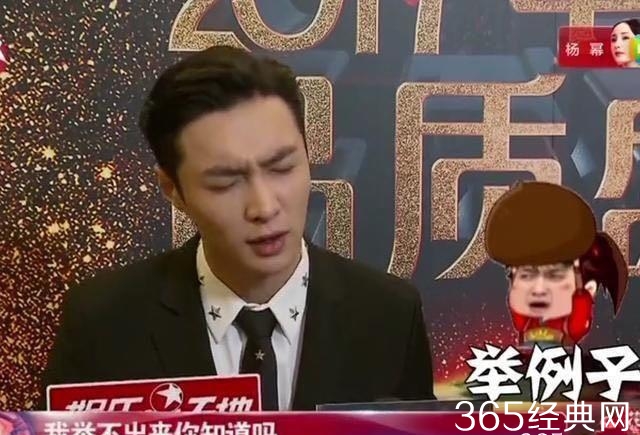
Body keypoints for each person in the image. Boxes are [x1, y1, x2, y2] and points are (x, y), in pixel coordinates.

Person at [40, 46, 435, 411]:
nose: (264, 207)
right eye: (225, 183)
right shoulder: (104, 321)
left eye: (282, 167)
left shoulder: (389, 316)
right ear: (173, 189)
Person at [484, 181, 628, 347]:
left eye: (555, 276)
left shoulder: (573, 326)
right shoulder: (525, 323)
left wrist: (581, 297)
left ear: (589, 288)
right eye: (527, 275)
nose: (539, 290)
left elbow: (578, 326)